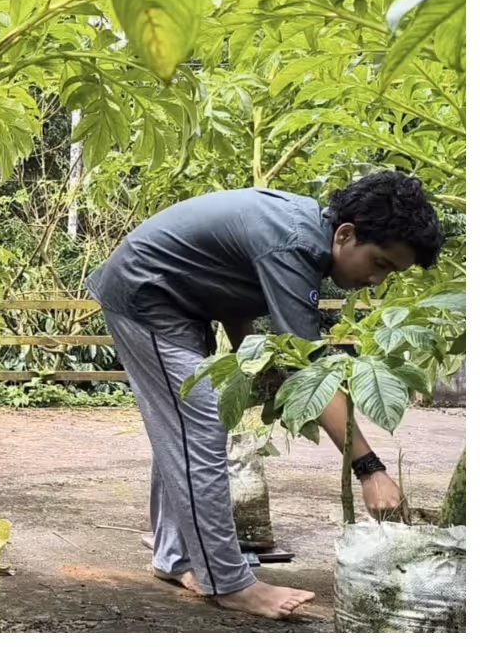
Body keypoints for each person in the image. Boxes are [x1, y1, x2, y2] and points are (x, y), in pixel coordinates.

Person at [85, 172, 443, 619]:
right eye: (380, 263)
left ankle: (174, 556)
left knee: (185, 423)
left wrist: (247, 361)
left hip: (181, 302)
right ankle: (229, 583)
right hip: (147, 296)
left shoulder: (305, 236)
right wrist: (369, 470)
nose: (376, 279)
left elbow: (236, 291)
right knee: (199, 426)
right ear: (346, 234)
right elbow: (309, 369)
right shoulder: (294, 244)